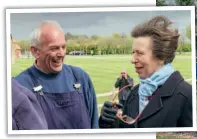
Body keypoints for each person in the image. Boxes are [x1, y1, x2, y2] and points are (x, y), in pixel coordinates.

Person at [99, 16, 192, 128]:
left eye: (139, 53)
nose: (132, 60)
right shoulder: (134, 93)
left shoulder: (187, 96)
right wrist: (108, 123)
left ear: (161, 56)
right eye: (133, 52)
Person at [14, 21, 99, 129]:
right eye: (54, 48)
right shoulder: (20, 87)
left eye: (63, 47)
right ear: (35, 51)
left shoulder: (81, 78)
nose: (61, 54)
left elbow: (94, 126)